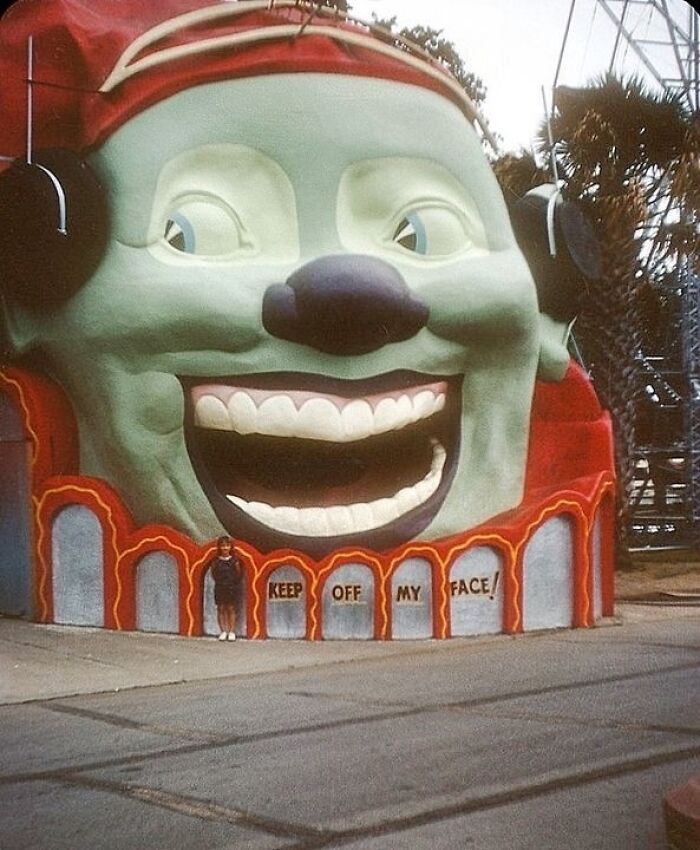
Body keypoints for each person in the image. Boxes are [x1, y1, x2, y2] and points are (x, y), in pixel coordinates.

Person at [209, 535, 242, 641]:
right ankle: (223, 631)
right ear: (219, 547)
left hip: (231, 588)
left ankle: (231, 631)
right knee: (221, 608)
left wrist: (232, 583)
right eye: (222, 545)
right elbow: (213, 573)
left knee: (231, 608)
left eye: (227, 545)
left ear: (230, 547)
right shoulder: (216, 561)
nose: (225, 548)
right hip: (220, 587)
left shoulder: (234, 560)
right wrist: (220, 582)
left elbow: (238, 574)